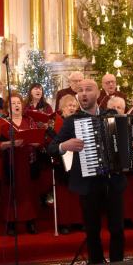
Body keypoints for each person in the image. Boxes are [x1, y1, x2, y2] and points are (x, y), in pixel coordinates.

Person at [47, 79, 133, 263]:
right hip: (88, 184)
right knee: (92, 231)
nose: (83, 93)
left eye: (88, 89)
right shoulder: (71, 121)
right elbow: (51, 148)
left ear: (97, 94)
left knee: (117, 230)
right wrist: (64, 145)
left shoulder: (113, 115)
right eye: (80, 90)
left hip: (113, 181)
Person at [0, 92, 41, 236]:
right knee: (10, 192)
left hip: (28, 161)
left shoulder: (30, 121)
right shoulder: (2, 123)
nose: (16, 105)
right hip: (11, 162)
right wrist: (10, 143)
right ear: (7, 108)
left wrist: (28, 140)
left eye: (18, 103)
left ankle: (30, 222)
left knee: (29, 192)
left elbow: (39, 142)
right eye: (13, 103)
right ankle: (11, 223)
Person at [47, 94, 85, 235]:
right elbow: (51, 143)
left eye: (74, 106)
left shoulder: (79, 120)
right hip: (60, 161)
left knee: (76, 192)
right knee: (63, 195)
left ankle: (77, 221)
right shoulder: (54, 122)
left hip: (76, 159)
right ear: (62, 107)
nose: (72, 108)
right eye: (69, 106)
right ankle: (63, 223)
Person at [107, 96, 133, 230]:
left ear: (124, 109)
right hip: (110, 166)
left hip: (128, 163)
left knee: (129, 193)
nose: (116, 110)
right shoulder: (104, 122)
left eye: (119, 108)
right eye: (113, 108)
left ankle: (128, 218)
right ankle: (113, 219)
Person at [23, 83, 53, 206]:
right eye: (35, 88)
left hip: (44, 140)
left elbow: (52, 122)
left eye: (40, 89)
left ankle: (44, 196)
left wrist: (46, 125)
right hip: (30, 140)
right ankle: (32, 196)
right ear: (30, 91)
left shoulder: (46, 107)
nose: (38, 90)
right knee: (32, 169)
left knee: (44, 169)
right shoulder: (25, 107)